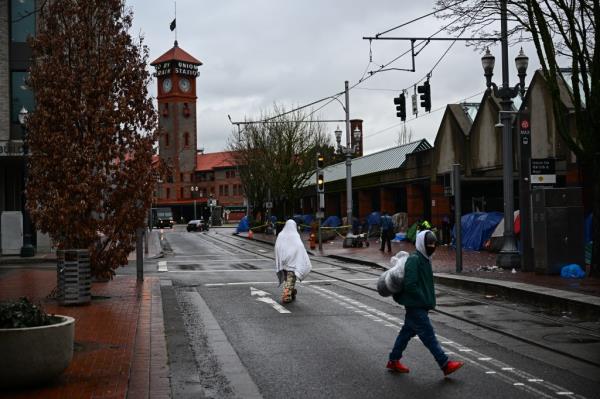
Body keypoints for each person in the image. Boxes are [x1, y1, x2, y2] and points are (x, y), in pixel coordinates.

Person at [386, 230, 464, 377]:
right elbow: (410, 285)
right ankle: (445, 364)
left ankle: (393, 360)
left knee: (406, 333)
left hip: (419, 305)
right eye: (429, 243)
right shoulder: (415, 259)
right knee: (429, 336)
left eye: (434, 243)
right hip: (416, 306)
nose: (432, 246)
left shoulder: (425, 258)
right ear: (422, 243)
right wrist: (423, 299)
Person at [274, 219, 312, 303]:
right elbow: (300, 247)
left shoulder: (280, 235)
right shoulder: (295, 235)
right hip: (293, 262)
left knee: (287, 280)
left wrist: (280, 258)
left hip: (283, 262)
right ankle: (286, 296)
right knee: (291, 278)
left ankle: (291, 292)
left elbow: (277, 247)